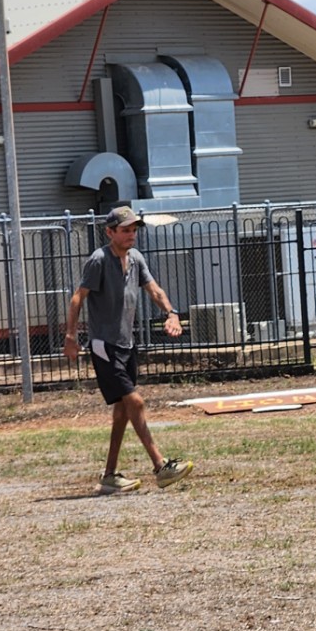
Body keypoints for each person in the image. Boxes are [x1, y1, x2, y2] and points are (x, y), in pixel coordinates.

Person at [64, 206, 193, 494]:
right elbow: (77, 299)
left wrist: (172, 313)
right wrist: (71, 336)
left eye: (134, 229)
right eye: (125, 230)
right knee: (135, 402)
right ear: (110, 232)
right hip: (104, 346)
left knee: (122, 412)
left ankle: (109, 476)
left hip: (126, 344)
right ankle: (161, 466)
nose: (131, 234)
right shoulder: (98, 260)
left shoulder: (135, 258)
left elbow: (155, 290)